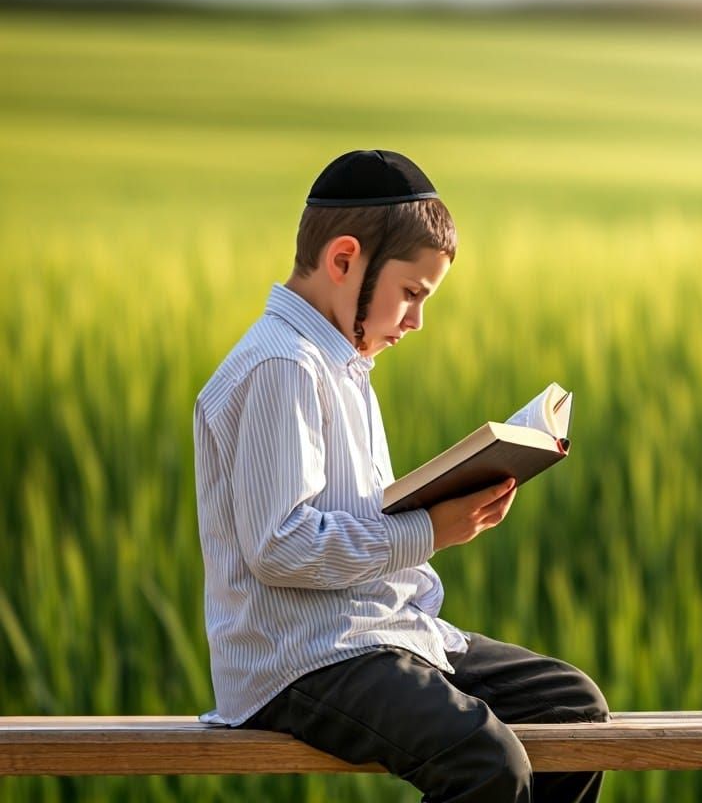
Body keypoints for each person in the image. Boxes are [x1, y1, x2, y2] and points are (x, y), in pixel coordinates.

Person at [193, 148, 610, 802]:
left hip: (375, 634)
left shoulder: (341, 365)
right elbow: (279, 546)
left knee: (572, 708)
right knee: (484, 764)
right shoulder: (283, 367)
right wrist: (430, 528)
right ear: (343, 260)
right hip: (302, 659)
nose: (417, 320)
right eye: (411, 293)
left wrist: (446, 499)